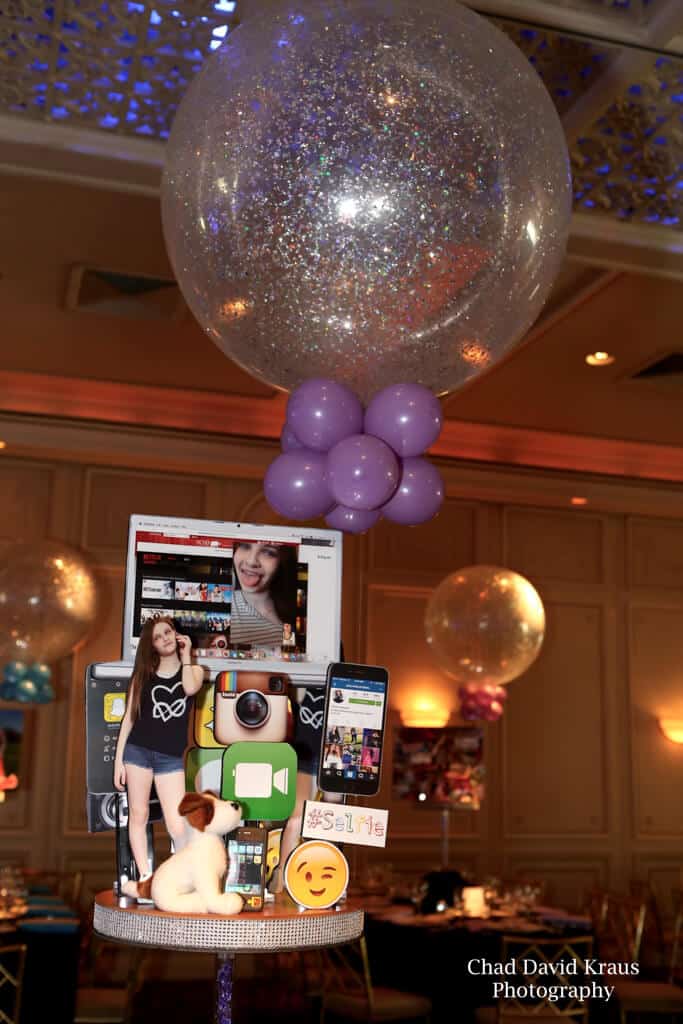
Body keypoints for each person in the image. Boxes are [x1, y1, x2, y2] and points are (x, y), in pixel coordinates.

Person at [113, 616, 204, 882]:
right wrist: (119, 761)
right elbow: (128, 718)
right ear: (151, 645)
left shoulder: (195, 670)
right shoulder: (144, 675)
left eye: (168, 632)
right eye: (157, 637)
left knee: (177, 823)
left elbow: (188, 688)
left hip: (169, 757)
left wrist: (187, 655)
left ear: (176, 634)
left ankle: (182, 878)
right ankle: (145, 877)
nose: (164, 638)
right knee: (138, 814)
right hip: (137, 751)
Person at [230, 540, 297, 649]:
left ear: (282, 561)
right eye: (245, 546)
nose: (251, 561)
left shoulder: (289, 620)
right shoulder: (225, 604)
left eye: (269, 552)